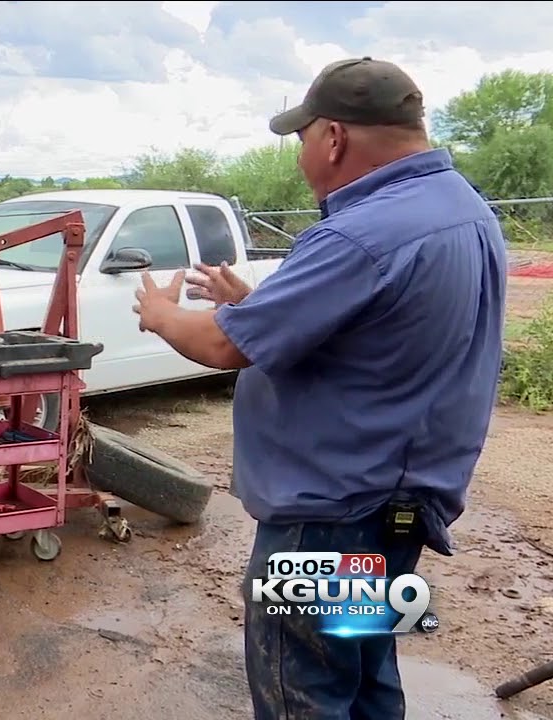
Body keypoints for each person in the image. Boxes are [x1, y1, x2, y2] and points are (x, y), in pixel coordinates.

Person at [131, 57, 508, 719]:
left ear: (333, 137)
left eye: (302, 139)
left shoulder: (361, 234)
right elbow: (383, 337)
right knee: (365, 678)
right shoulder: (463, 209)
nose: (302, 155)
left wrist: (162, 315)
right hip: (395, 512)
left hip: (331, 522)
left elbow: (223, 346)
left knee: (305, 694)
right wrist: (256, 305)